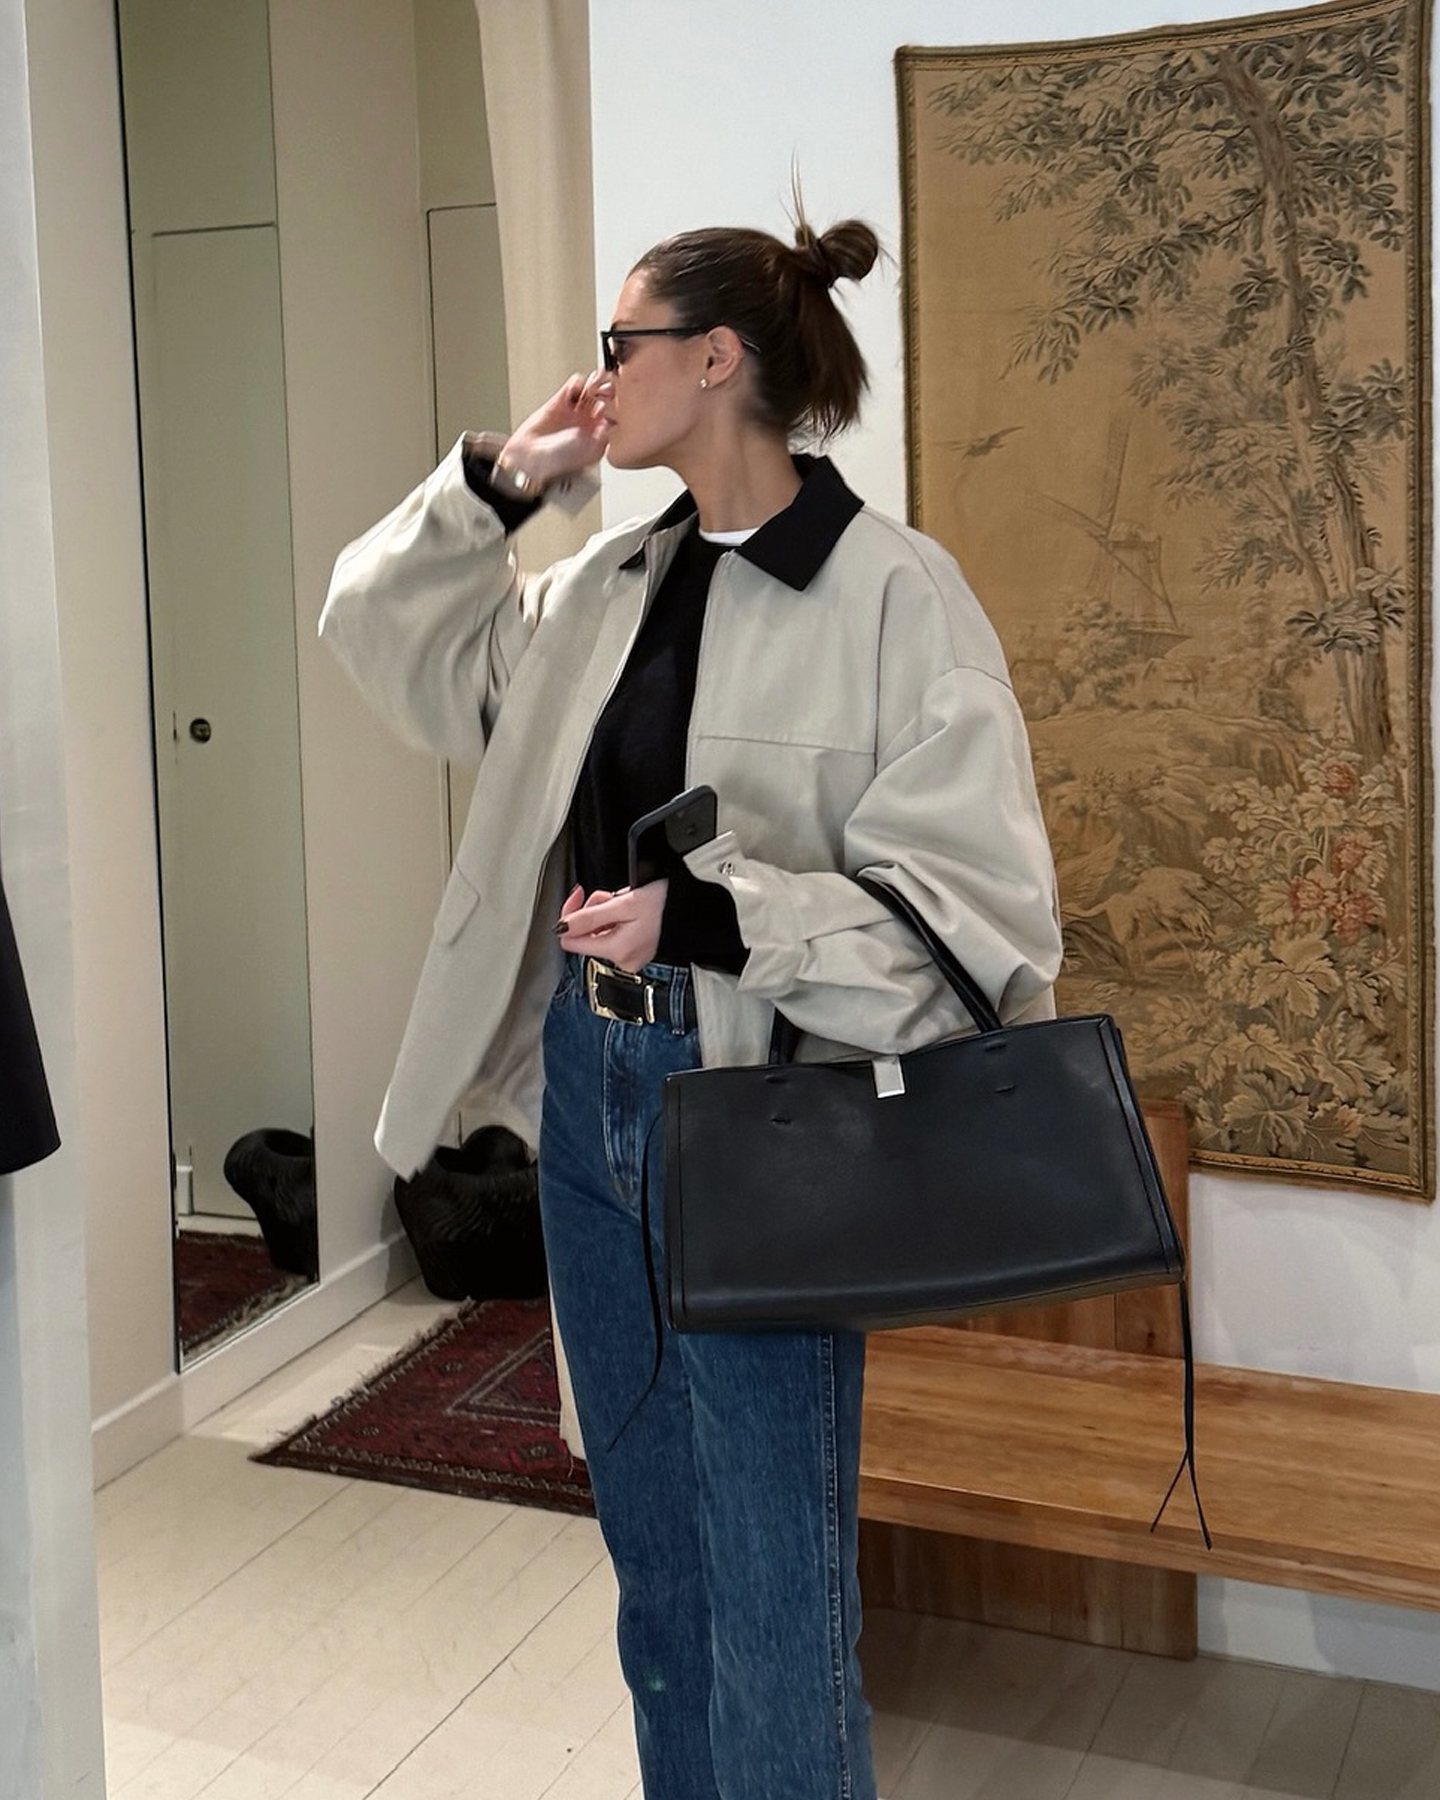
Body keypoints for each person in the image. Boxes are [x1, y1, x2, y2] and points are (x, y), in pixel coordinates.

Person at [321, 203, 1062, 1800]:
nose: (596, 379)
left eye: (619, 347)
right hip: (594, 1096)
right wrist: (497, 489)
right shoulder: (602, 587)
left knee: (776, 1584)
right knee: (655, 1557)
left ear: (713, 359)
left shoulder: (893, 597)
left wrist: (714, 916)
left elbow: (983, 927)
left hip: (762, 1119)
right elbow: (383, 645)